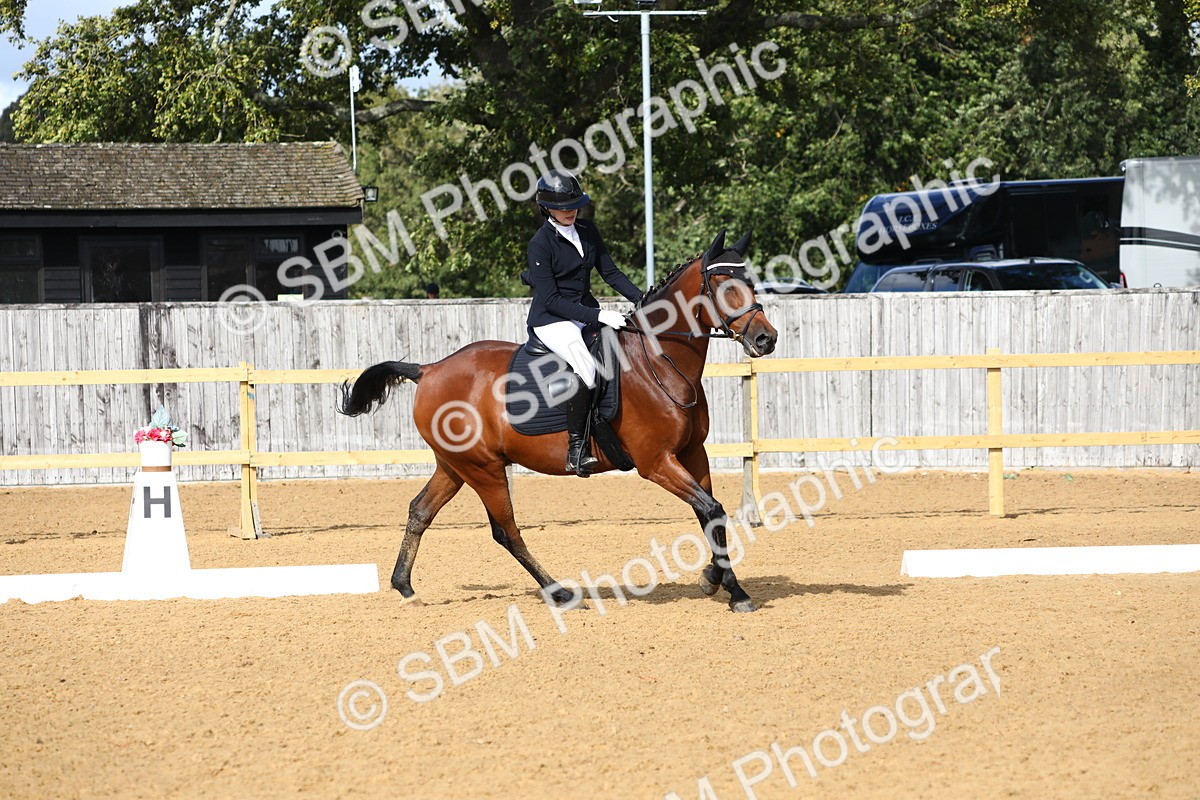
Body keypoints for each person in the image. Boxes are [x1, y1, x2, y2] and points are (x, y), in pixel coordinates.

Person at [525, 169, 643, 477]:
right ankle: (577, 449)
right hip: (553, 321)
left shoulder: (587, 230)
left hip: (584, 313)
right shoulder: (540, 244)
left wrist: (643, 299)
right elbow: (551, 300)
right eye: (564, 207)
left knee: (623, 351)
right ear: (547, 208)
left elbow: (611, 273)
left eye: (575, 205)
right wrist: (599, 315)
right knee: (588, 369)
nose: (571, 211)